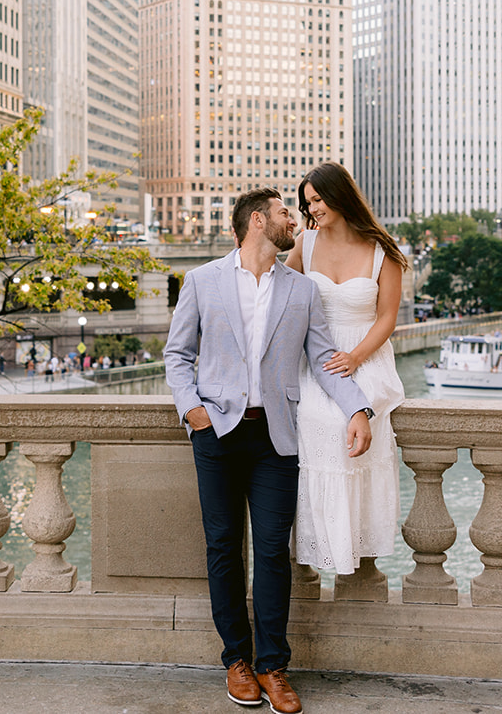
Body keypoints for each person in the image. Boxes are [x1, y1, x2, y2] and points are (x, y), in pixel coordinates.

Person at [165, 187, 374, 714]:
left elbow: (326, 357)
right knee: (222, 547)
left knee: (273, 553)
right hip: (217, 432)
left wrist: (357, 408)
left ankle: (273, 666)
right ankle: (236, 660)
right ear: (258, 222)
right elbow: (177, 354)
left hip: (276, 437)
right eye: (286, 212)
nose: (295, 220)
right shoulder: (201, 280)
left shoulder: (301, 290)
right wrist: (193, 410)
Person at [286, 161, 408, 579]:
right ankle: (314, 548)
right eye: (307, 203)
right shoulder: (307, 242)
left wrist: (355, 357)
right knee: (311, 420)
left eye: (318, 199)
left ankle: (355, 548)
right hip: (318, 356)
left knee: (347, 431)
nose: (313, 208)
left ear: (340, 196)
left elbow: (387, 318)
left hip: (365, 356)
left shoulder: (383, 251)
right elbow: (283, 292)